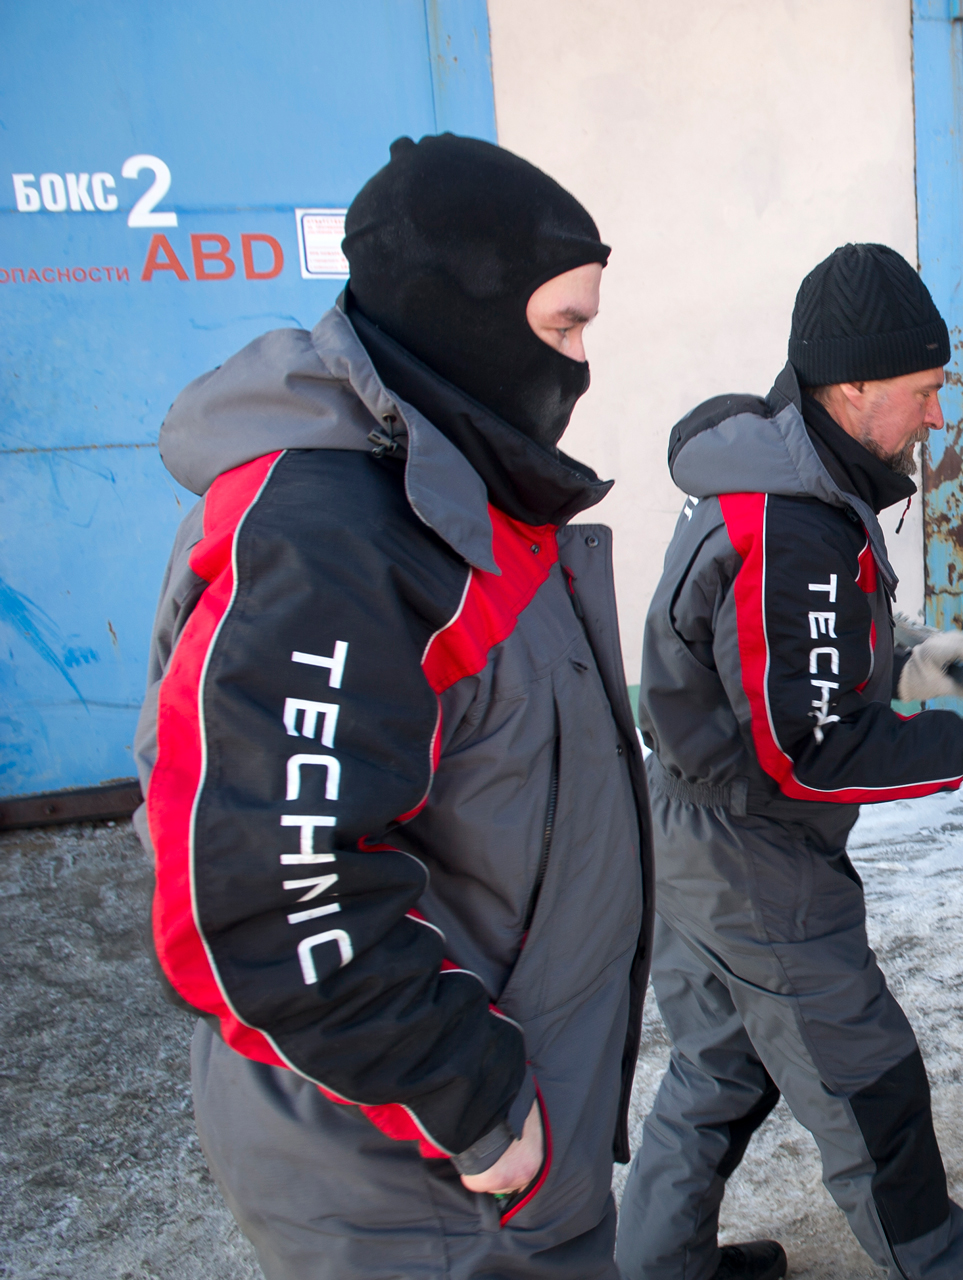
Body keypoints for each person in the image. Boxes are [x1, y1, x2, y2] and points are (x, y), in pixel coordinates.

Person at [133, 135, 652, 1278]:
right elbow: (261, 889)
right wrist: (472, 1098)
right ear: (462, 312)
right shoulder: (336, 536)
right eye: (563, 326)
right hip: (419, 1183)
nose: (579, 364)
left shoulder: (460, 484)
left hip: (500, 1153)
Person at [618, 243, 963, 1280]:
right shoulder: (790, 523)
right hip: (753, 853)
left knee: (718, 1070)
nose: (935, 415)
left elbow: (780, 668)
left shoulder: (791, 474)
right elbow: (807, 752)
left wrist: (904, 664)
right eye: (923, 391)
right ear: (851, 387)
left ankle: (655, 1267)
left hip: (696, 824)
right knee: (875, 1096)